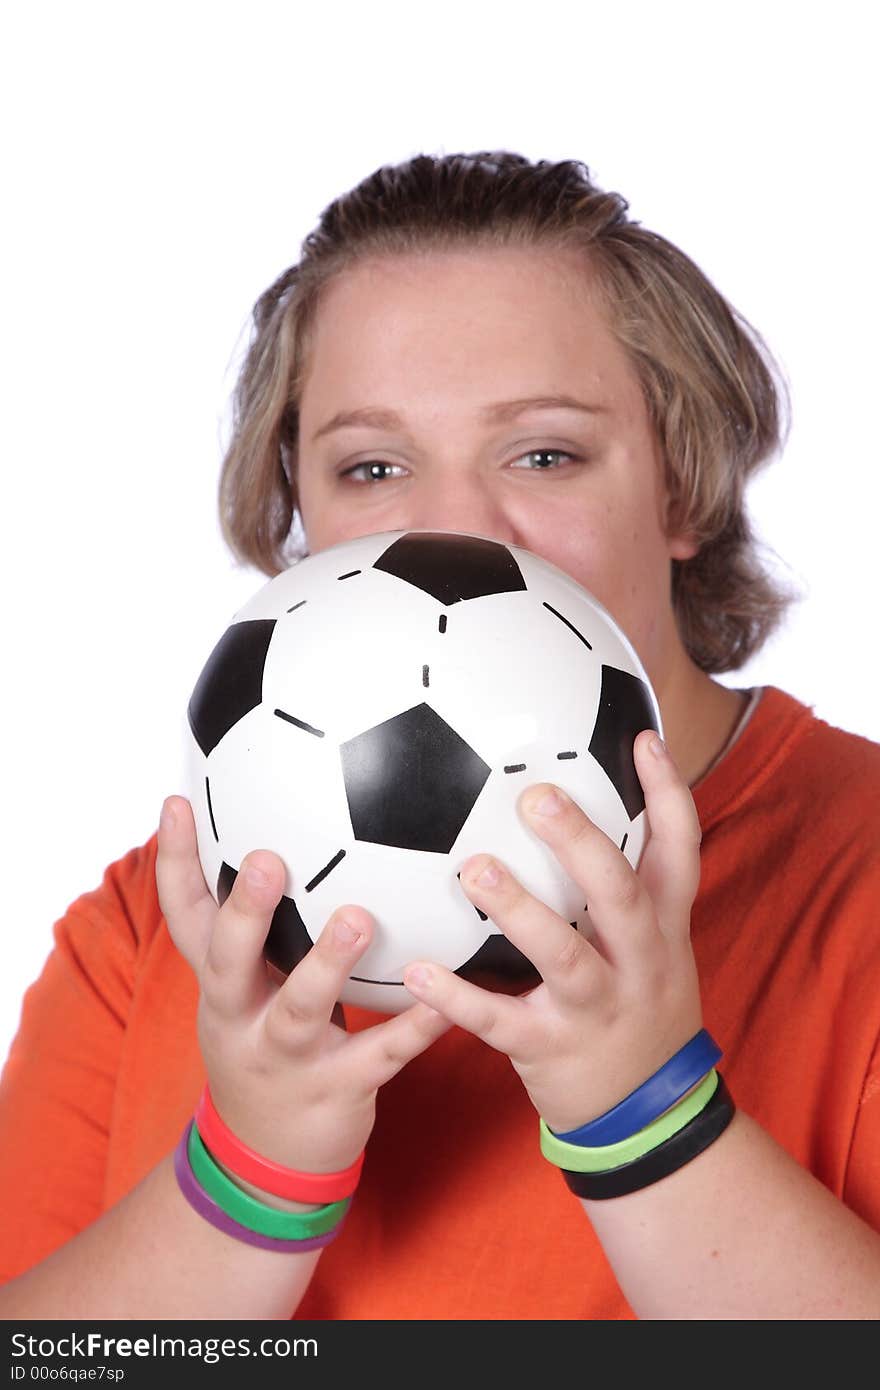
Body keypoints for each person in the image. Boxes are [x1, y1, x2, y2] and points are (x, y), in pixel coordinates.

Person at [1, 150, 879, 1321]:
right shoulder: (156, 940)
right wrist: (249, 1177)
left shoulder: (855, 879)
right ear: (297, 513)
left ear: (680, 487)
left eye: (544, 453)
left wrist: (646, 1116)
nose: (454, 529)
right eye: (372, 466)